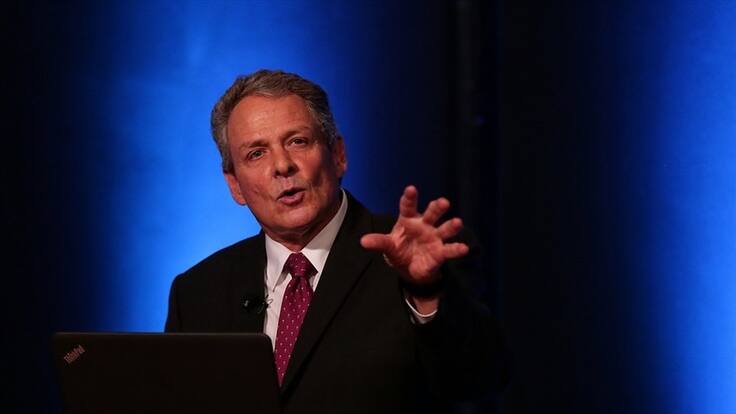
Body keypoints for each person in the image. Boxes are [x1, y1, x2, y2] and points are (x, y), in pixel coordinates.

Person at [165, 69, 506, 413]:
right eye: (256, 153)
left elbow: (478, 379)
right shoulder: (197, 293)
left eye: (298, 141)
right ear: (235, 185)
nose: (282, 165)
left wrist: (426, 292)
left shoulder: (420, 259)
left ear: (338, 154)